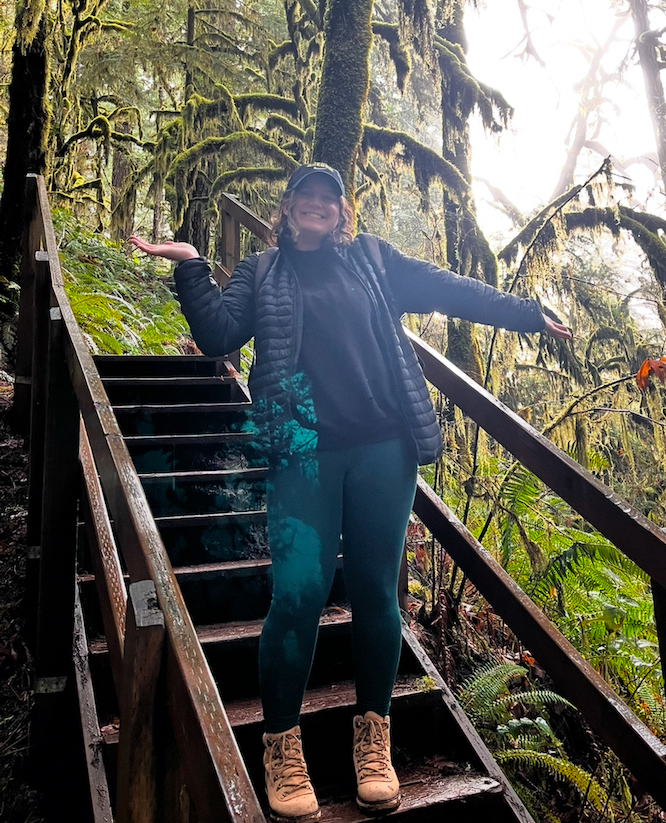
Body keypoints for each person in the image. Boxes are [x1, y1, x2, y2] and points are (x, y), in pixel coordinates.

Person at [130, 163, 571, 822]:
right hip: (302, 452)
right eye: (306, 195)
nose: (318, 204)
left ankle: (373, 740)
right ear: (288, 207)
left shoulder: (372, 260)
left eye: (329, 198)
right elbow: (219, 335)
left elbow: (447, 289)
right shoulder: (261, 271)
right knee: (298, 595)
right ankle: (282, 746)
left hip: (384, 448)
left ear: (341, 211)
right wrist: (193, 264)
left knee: (374, 592)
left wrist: (526, 313)